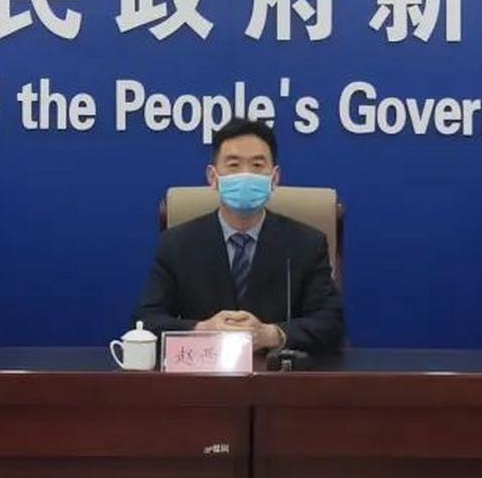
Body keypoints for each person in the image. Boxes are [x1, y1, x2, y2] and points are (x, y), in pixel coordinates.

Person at [135, 118, 344, 353]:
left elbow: (331, 322)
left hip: (276, 371)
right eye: (233, 165)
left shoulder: (306, 244)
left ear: (274, 178)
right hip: (203, 370)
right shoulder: (176, 244)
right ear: (213, 177)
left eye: (257, 165)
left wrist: (272, 334)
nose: (246, 174)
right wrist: (202, 329)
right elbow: (146, 320)